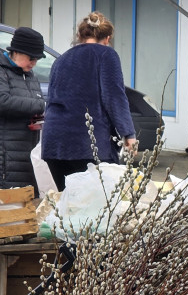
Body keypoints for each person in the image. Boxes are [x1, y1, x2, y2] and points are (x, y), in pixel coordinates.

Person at [42, 12, 137, 191]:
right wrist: (128, 134)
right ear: (107, 38)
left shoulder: (61, 60)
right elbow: (114, 96)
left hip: (54, 145)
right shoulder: (106, 55)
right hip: (87, 146)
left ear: (80, 36)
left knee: (70, 205)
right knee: (96, 208)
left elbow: (52, 98)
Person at [0, 26, 46, 190]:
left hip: (24, 160)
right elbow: (0, 102)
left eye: (37, 60)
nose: (34, 63)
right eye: (31, 58)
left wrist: (40, 120)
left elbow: (34, 107)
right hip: (0, 160)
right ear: (17, 52)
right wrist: (42, 106)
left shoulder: (29, 76)